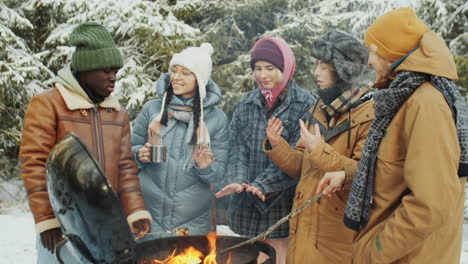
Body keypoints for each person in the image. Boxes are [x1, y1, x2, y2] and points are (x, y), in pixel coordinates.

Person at [316, 8, 468, 263]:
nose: (369, 61)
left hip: (407, 256)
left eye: (373, 51)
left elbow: (430, 204)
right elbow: (397, 172)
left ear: (393, 53)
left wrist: (373, 252)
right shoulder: (403, 98)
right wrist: (349, 174)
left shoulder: (425, 104)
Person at [18, 22, 151, 263]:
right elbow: (34, 163)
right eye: (106, 71)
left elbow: (126, 167)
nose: (113, 78)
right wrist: (46, 219)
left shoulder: (117, 112)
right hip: (63, 227)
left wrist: (135, 210)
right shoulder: (49, 104)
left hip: (106, 228)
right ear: (85, 69)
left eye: (116, 71)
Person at [263, 31, 374, 263]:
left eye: (323, 66)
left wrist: (320, 150)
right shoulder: (320, 108)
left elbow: (366, 174)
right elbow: (299, 166)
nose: (315, 73)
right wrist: (277, 145)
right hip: (303, 230)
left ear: (344, 69)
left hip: (336, 239)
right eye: (316, 65)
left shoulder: (370, 115)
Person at [216, 37, 315, 264]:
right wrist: (239, 180)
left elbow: (299, 159)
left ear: (285, 67)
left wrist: (262, 184)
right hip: (245, 205)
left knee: (278, 258)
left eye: (270, 68)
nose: (263, 75)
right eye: (257, 68)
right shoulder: (246, 103)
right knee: (247, 258)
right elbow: (237, 148)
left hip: (281, 207)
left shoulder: (305, 104)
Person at [131, 43, 229, 240]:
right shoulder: (153, 110)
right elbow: (125, 156)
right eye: (174, 71)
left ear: (199, 80)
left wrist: (205, 166)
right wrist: (139, 154)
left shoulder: (216, 120)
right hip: (150, 220)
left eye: (185, 73)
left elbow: (219, 176)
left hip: (192, 226)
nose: (176, 77)